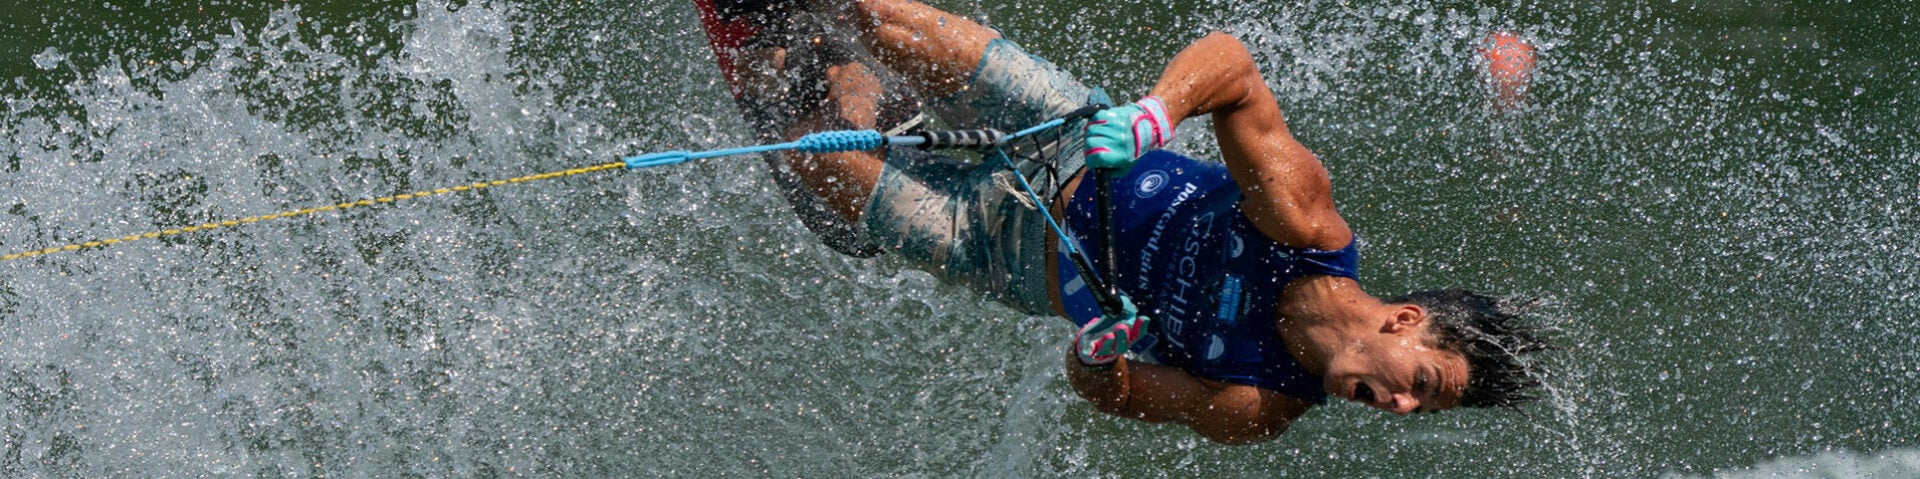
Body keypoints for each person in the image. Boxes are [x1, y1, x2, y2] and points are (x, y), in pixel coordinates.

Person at [704, 0, 1549, 444]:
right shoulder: (1304, 227)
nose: (1397, 405)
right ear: (1404, 321)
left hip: (988, 247)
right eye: (1419, 383)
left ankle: (774, 51)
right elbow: (1233, 67)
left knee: (806, 141)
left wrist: (1098, 356)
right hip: (1060, 130)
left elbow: (1116, 394)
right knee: (876, 16)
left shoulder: (1258, 404)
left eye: (1418, 408)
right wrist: (1156, 115)